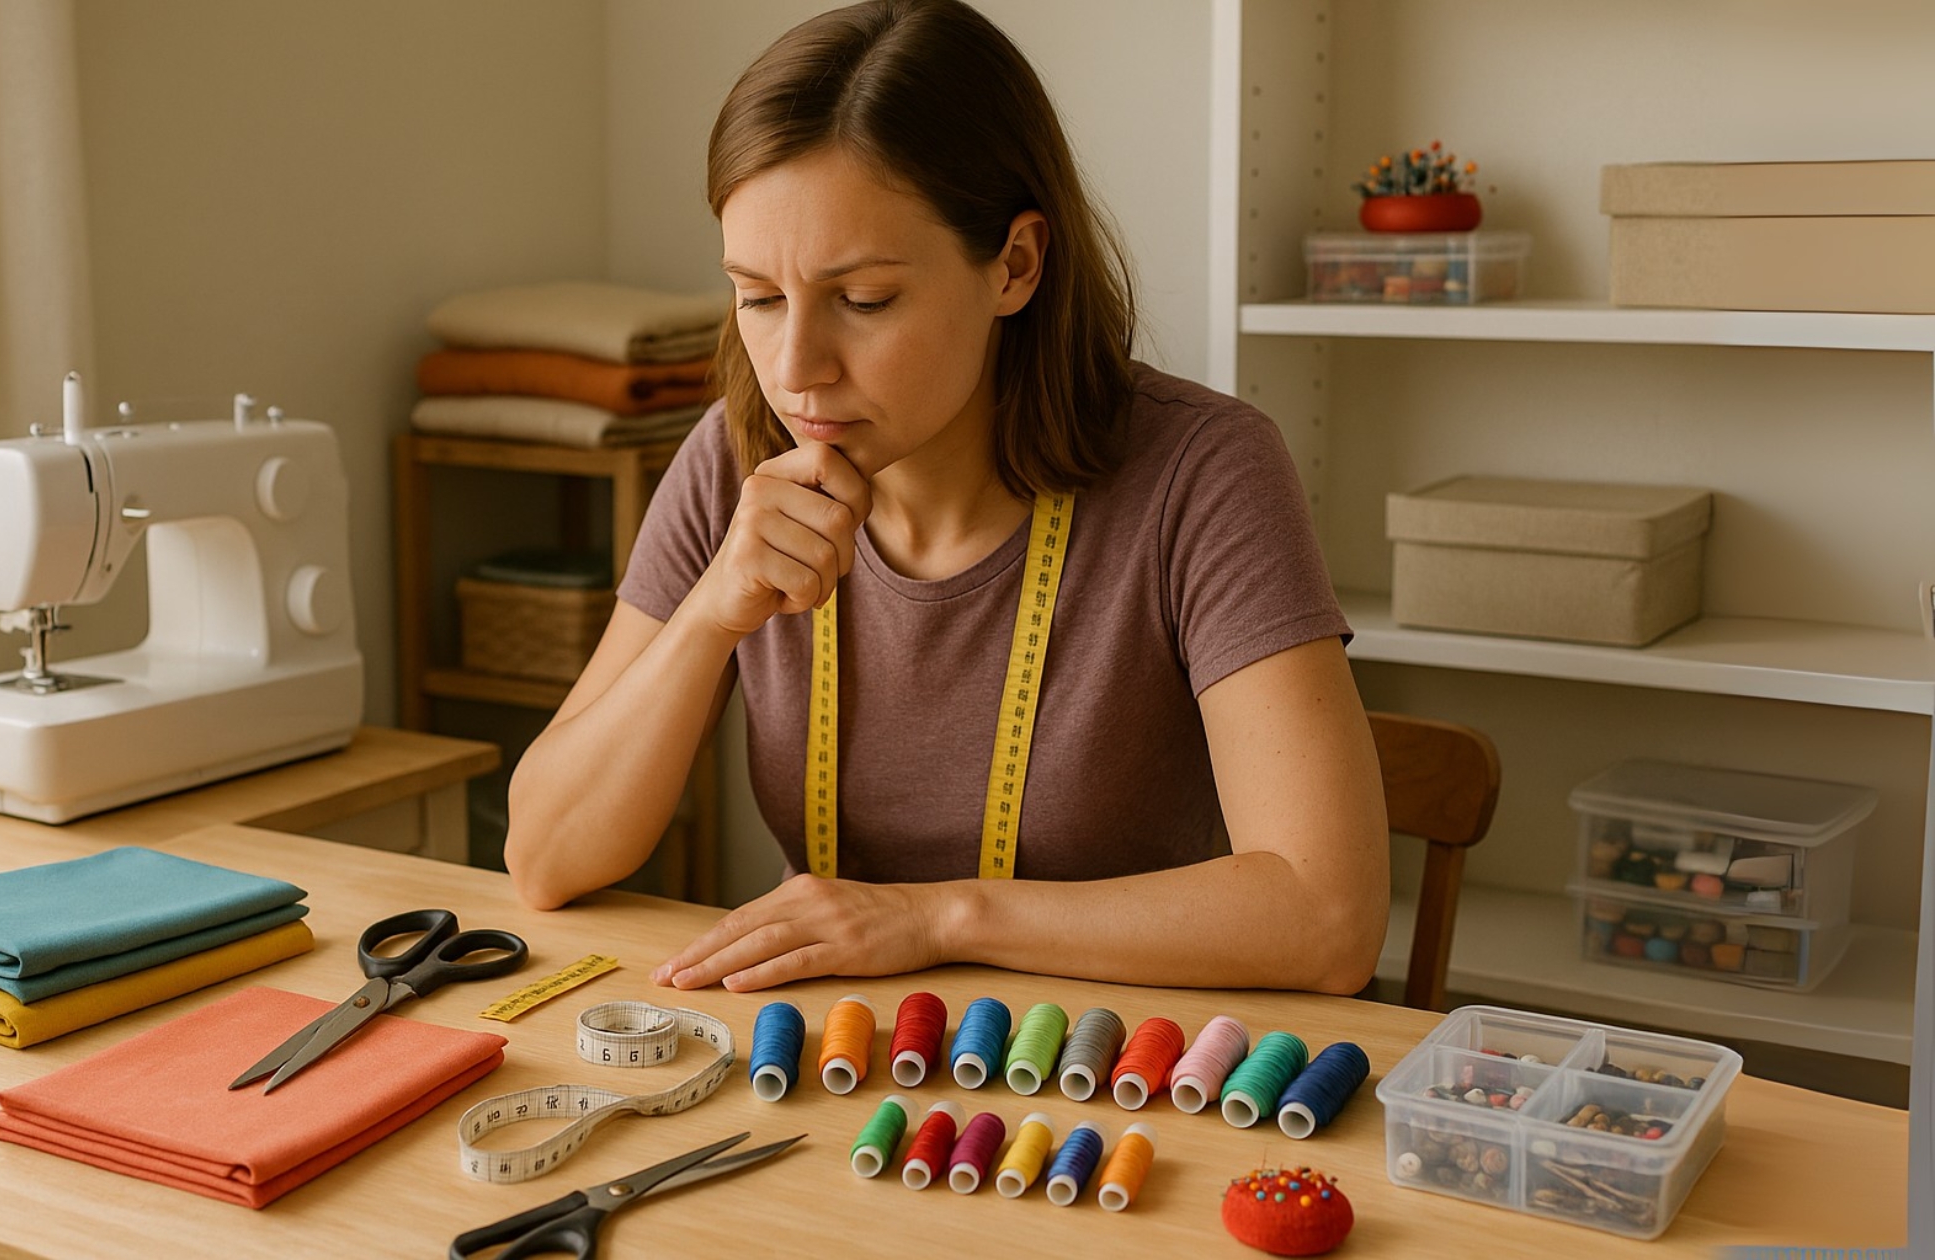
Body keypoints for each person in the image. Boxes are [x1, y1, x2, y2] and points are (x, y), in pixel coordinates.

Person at [505, 0, 1389, 996]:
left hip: (1133, 1078)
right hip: (853, 1067)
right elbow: (542, 858)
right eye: (756, 296)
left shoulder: (1202, 473)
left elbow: (1326, 919)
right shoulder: (736, 454)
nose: (795, 369)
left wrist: (933, 917)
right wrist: (708, 617)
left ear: (1013, 265)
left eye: (863, 300)